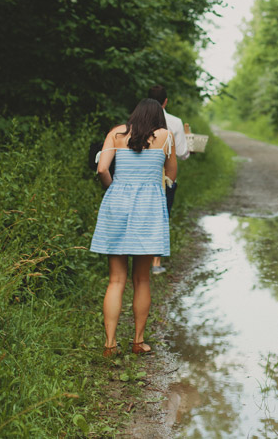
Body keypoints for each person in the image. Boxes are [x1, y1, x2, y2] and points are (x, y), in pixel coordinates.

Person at [90, 98, 178, 357]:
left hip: (116, 205)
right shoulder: (165, 137)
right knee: (142, 279)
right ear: (158, 117)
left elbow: (102, 168)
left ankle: (110, 345)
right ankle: (138, 342)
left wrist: (113, 186)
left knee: (116, 280)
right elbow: (171, 177)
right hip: (148, 210)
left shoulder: (116, 133)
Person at [147, 85, 189, 275]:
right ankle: (156, 263)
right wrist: (190, 149)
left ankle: (138, 257)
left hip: (142, 176)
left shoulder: (138, 121)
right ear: (165, 101)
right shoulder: (174, 122)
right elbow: (182, 153)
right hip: (165, 177)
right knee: (162, 217)